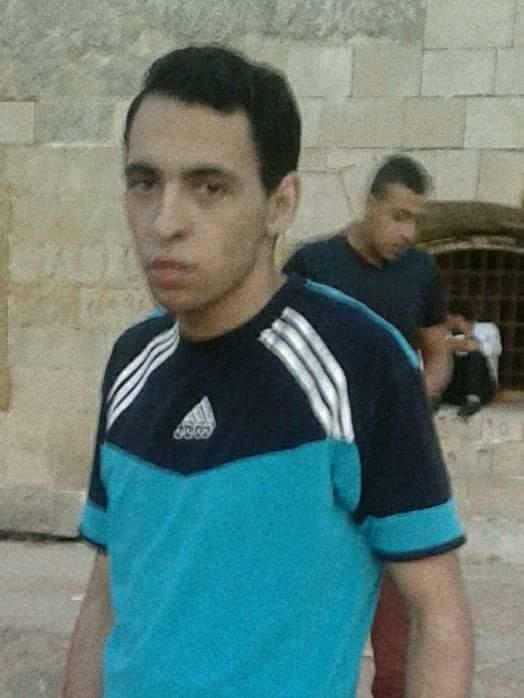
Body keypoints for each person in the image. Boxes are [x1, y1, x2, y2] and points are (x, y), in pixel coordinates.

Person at [62, 47, 472, 698]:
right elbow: (106, 599)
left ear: (280, 204)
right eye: (145, 182)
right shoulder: (131, 361)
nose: (164, 222)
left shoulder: (360, 364)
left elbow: (436, 616)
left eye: (209, 187)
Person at [283, 155, 452, 698]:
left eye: (416, 220)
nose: (408, 233)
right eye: (399, 216)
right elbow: (277, 357)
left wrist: (413, 405)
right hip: (319, 475)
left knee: (399, 645)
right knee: (305, 625)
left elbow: (438, 352)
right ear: (371, 203)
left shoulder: (421, 272)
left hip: (394, 474)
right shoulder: (313, 266)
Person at [443, 299, 501, 417]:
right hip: (458, 389)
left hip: (482, 388)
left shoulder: (488, 329)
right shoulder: (448, 335)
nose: (446, 321)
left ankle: (473, 399)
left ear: (457, 318)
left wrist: (473, 344)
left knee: (475, 356)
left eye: (448, 317)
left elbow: (494, 349)